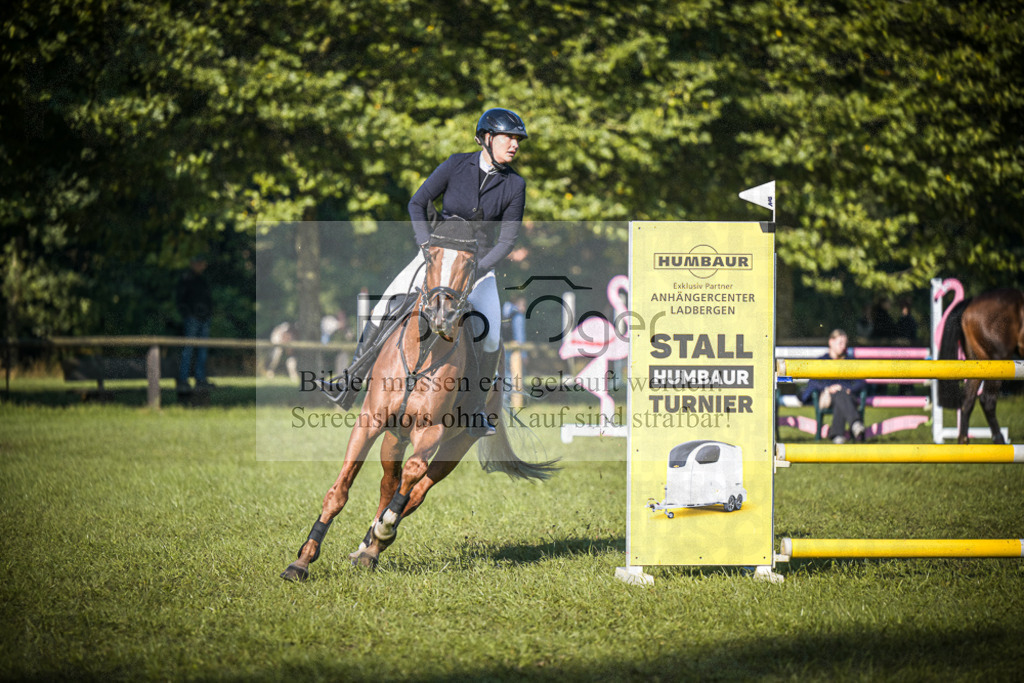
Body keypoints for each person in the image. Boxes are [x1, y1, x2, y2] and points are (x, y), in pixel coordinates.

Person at [337, 108, 529, 436]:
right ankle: (350, 381)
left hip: (478, 270)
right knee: (385, 304)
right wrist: (426, 247)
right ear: (486, 138)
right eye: (508, 137)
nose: (514, 144)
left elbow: (508, 241)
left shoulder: (515, 185)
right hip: (435, 258)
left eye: (517, 140)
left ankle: (475, 410)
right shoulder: (456, 164)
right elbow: (417, 202)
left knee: (492, 334)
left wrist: (476, 270)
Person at [800, 328, 867, 444]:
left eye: (845, 343)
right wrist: (828, 388)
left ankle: (837, 435)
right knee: (838, 393)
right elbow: (813, 382)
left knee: (840, 394)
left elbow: (861, 382)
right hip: (827, 397)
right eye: (840, 343)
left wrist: (848, 389)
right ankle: (855, 423)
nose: (843, 346)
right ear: (831, 342)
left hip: (846, 395)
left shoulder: (849, 361)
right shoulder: (822, 361)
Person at [176, 254, 213, 393]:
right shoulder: (186, 279)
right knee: (189, 349)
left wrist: (208, 314)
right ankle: (183, 379)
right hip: (193, 319)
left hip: (204, 319)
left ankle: (200, 379)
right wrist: (188, 314)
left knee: (202, 351)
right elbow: (180, 300)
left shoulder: (202, 280)